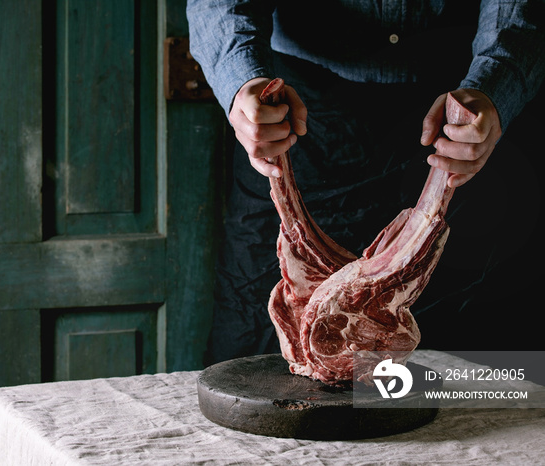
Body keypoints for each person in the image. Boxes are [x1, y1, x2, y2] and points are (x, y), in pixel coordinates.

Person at [186, 0, 545, 365]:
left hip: (460, 108)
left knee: (471, 375)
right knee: (261, 359)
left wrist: (496, 83)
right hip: (297, 116)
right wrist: (241, 77)